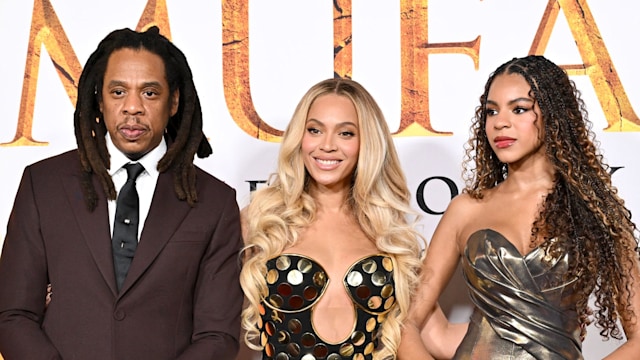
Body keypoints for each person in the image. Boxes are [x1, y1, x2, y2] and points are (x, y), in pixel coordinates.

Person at [0, 27, 243, 360]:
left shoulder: (214, 202)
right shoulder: (42, 185)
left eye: (149, 93)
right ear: (99, 99)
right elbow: (13, 316)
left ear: (173, 102)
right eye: (118, 92)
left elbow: (218, 336)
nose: (132, 107)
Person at [398, 55, 640, 359]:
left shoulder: (596, 210)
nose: (500, 122)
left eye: (519, 109)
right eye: (491, 111)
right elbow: (406, 323)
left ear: (554, 115)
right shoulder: (466, 209)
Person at [238, 78, 463, 360]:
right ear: (300, 136)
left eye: (345, 133)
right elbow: (223, 332)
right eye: (315, 130)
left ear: (366, 142)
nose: (327, 145)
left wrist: (524, 325)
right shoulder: (261, 220)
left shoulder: (387, 234)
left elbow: (439, 336)